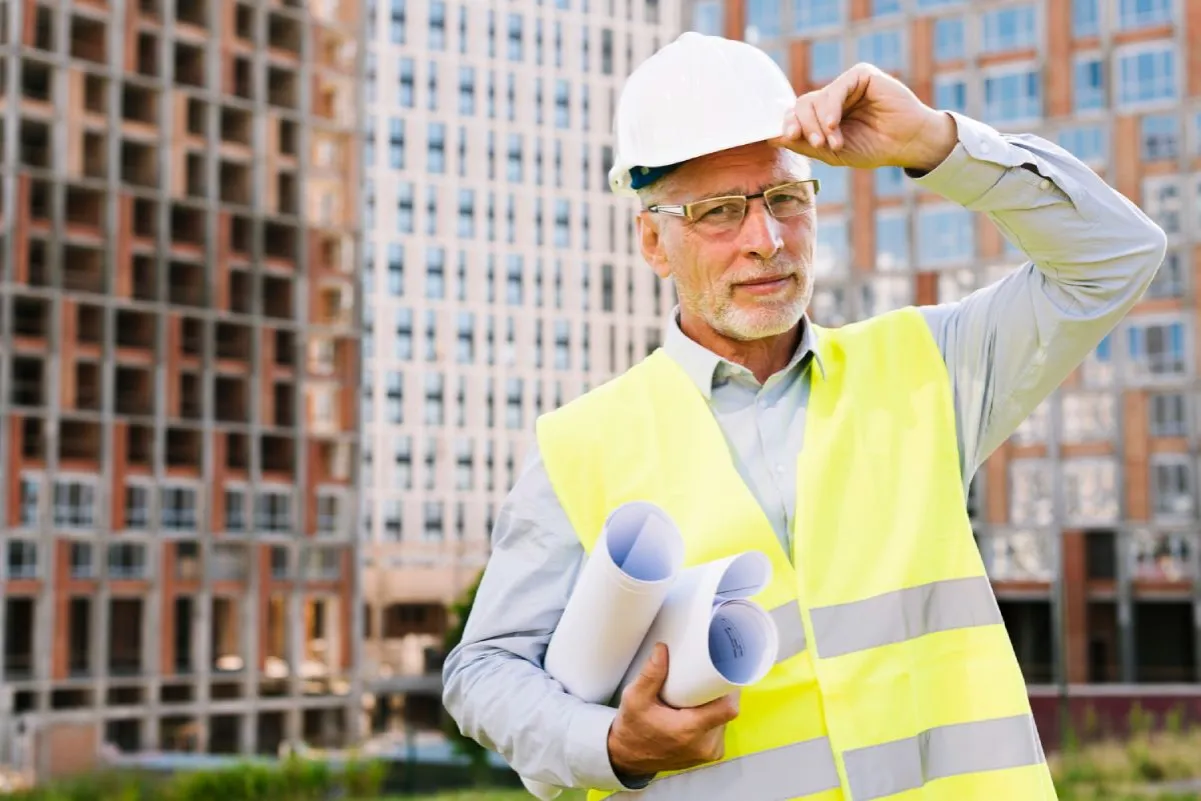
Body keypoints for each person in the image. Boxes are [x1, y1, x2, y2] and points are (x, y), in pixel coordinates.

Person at [442, 32, 1166, 801]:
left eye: (786, 199)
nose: (767, 240)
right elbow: (484, 669)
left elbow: (1116, 255)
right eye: (719, 212)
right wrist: (610, 743)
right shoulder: (579, 447)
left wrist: (935, 143)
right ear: (653, 239)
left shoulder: (928, 368)